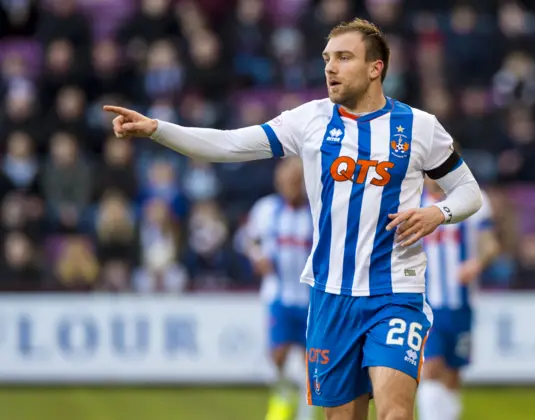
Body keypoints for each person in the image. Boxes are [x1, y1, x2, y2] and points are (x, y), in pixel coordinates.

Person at [105, 18, 482, 420]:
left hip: (395, 291)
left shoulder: (419, 127)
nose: (330, 68)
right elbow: (230, 144)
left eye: (344, 57)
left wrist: (436, 212)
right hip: (329, 296)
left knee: (395, 414)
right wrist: (157, 129)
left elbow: (469, 192)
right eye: (326, 59)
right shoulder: (310, 120)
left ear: (376, 68)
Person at [417, 177, 500, 420]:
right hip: (424, 303)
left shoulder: (475, 199)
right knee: (431, 368)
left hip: (461, 304)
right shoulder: (411, 200)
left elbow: (491, 245)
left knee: (453, 374)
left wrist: (477, 263)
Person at [244, 157, 315, 420]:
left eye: (297, 181)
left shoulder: (316, 212)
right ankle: (284, 397)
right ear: (279, 182)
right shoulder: (265, 210)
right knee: (278, 355)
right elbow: (249, 240)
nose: (293, 186)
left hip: (311, 299)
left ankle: (305, 414)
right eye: (288, 181)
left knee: (313, 359)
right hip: (278, 296)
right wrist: (257, 257)